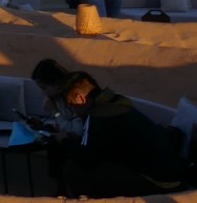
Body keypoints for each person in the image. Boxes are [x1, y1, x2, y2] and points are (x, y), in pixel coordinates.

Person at [54, 72, 186, 197]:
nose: (74, 111)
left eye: (71, 105)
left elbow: (87, 158)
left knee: (72, 169)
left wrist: (64, 141)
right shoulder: (117, 103)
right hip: (173, 176)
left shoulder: (98, 116)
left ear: (80, 98)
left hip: (158, 184)